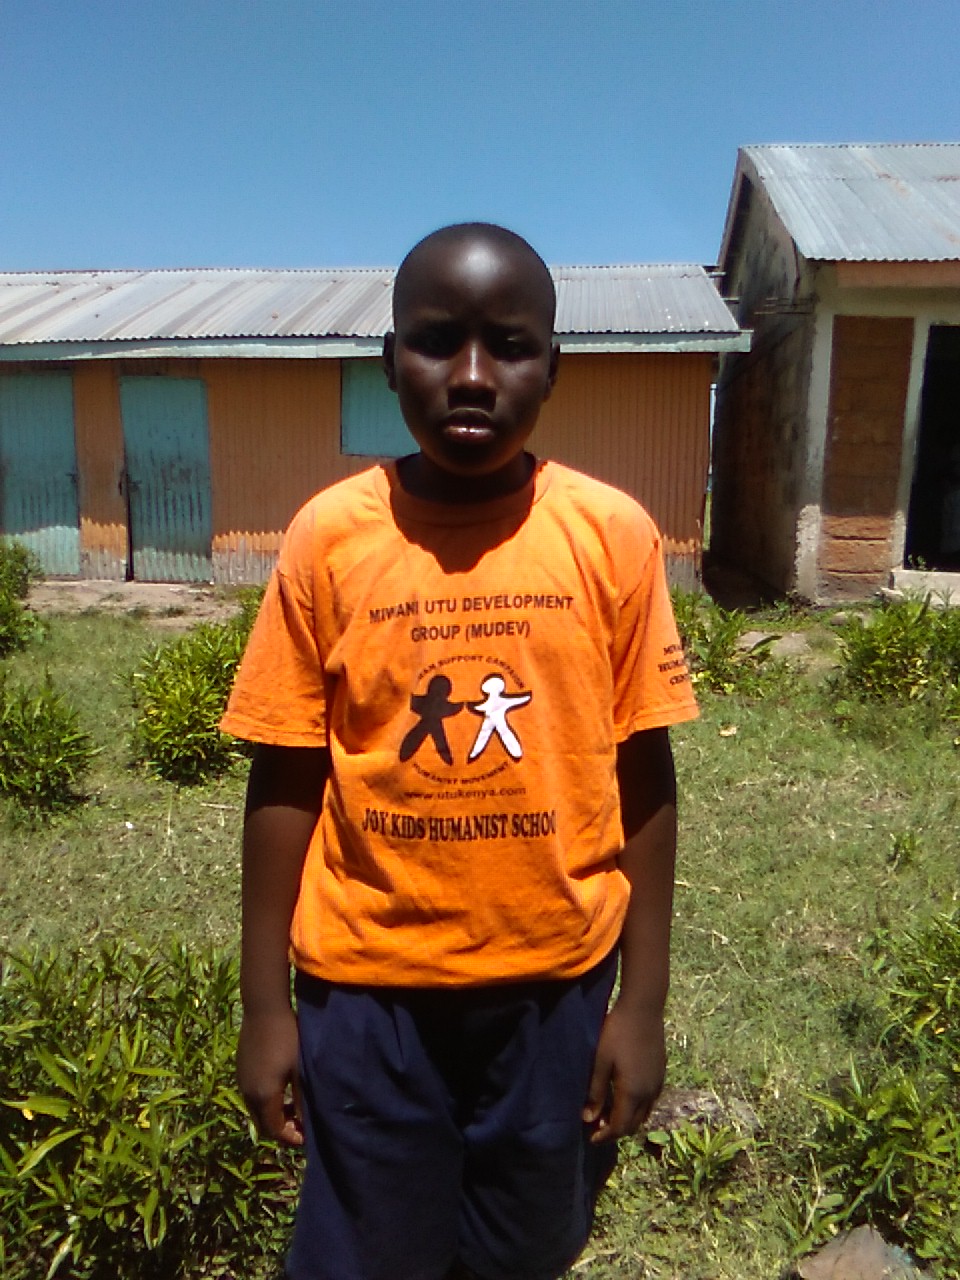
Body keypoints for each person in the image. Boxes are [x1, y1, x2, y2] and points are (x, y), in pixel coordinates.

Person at [221, 222, 698, 1280]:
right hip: (366, 992)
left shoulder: (611, 535)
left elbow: (643, 772)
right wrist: (264, 1006)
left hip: (555, 987)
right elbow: (286, 770)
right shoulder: (329, 537)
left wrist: (642, 1003)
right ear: (391, 362)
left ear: (553, 367)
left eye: (510, 346)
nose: (473, 375)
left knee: (522, 1248)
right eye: (438, 341)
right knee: (368, 1253)